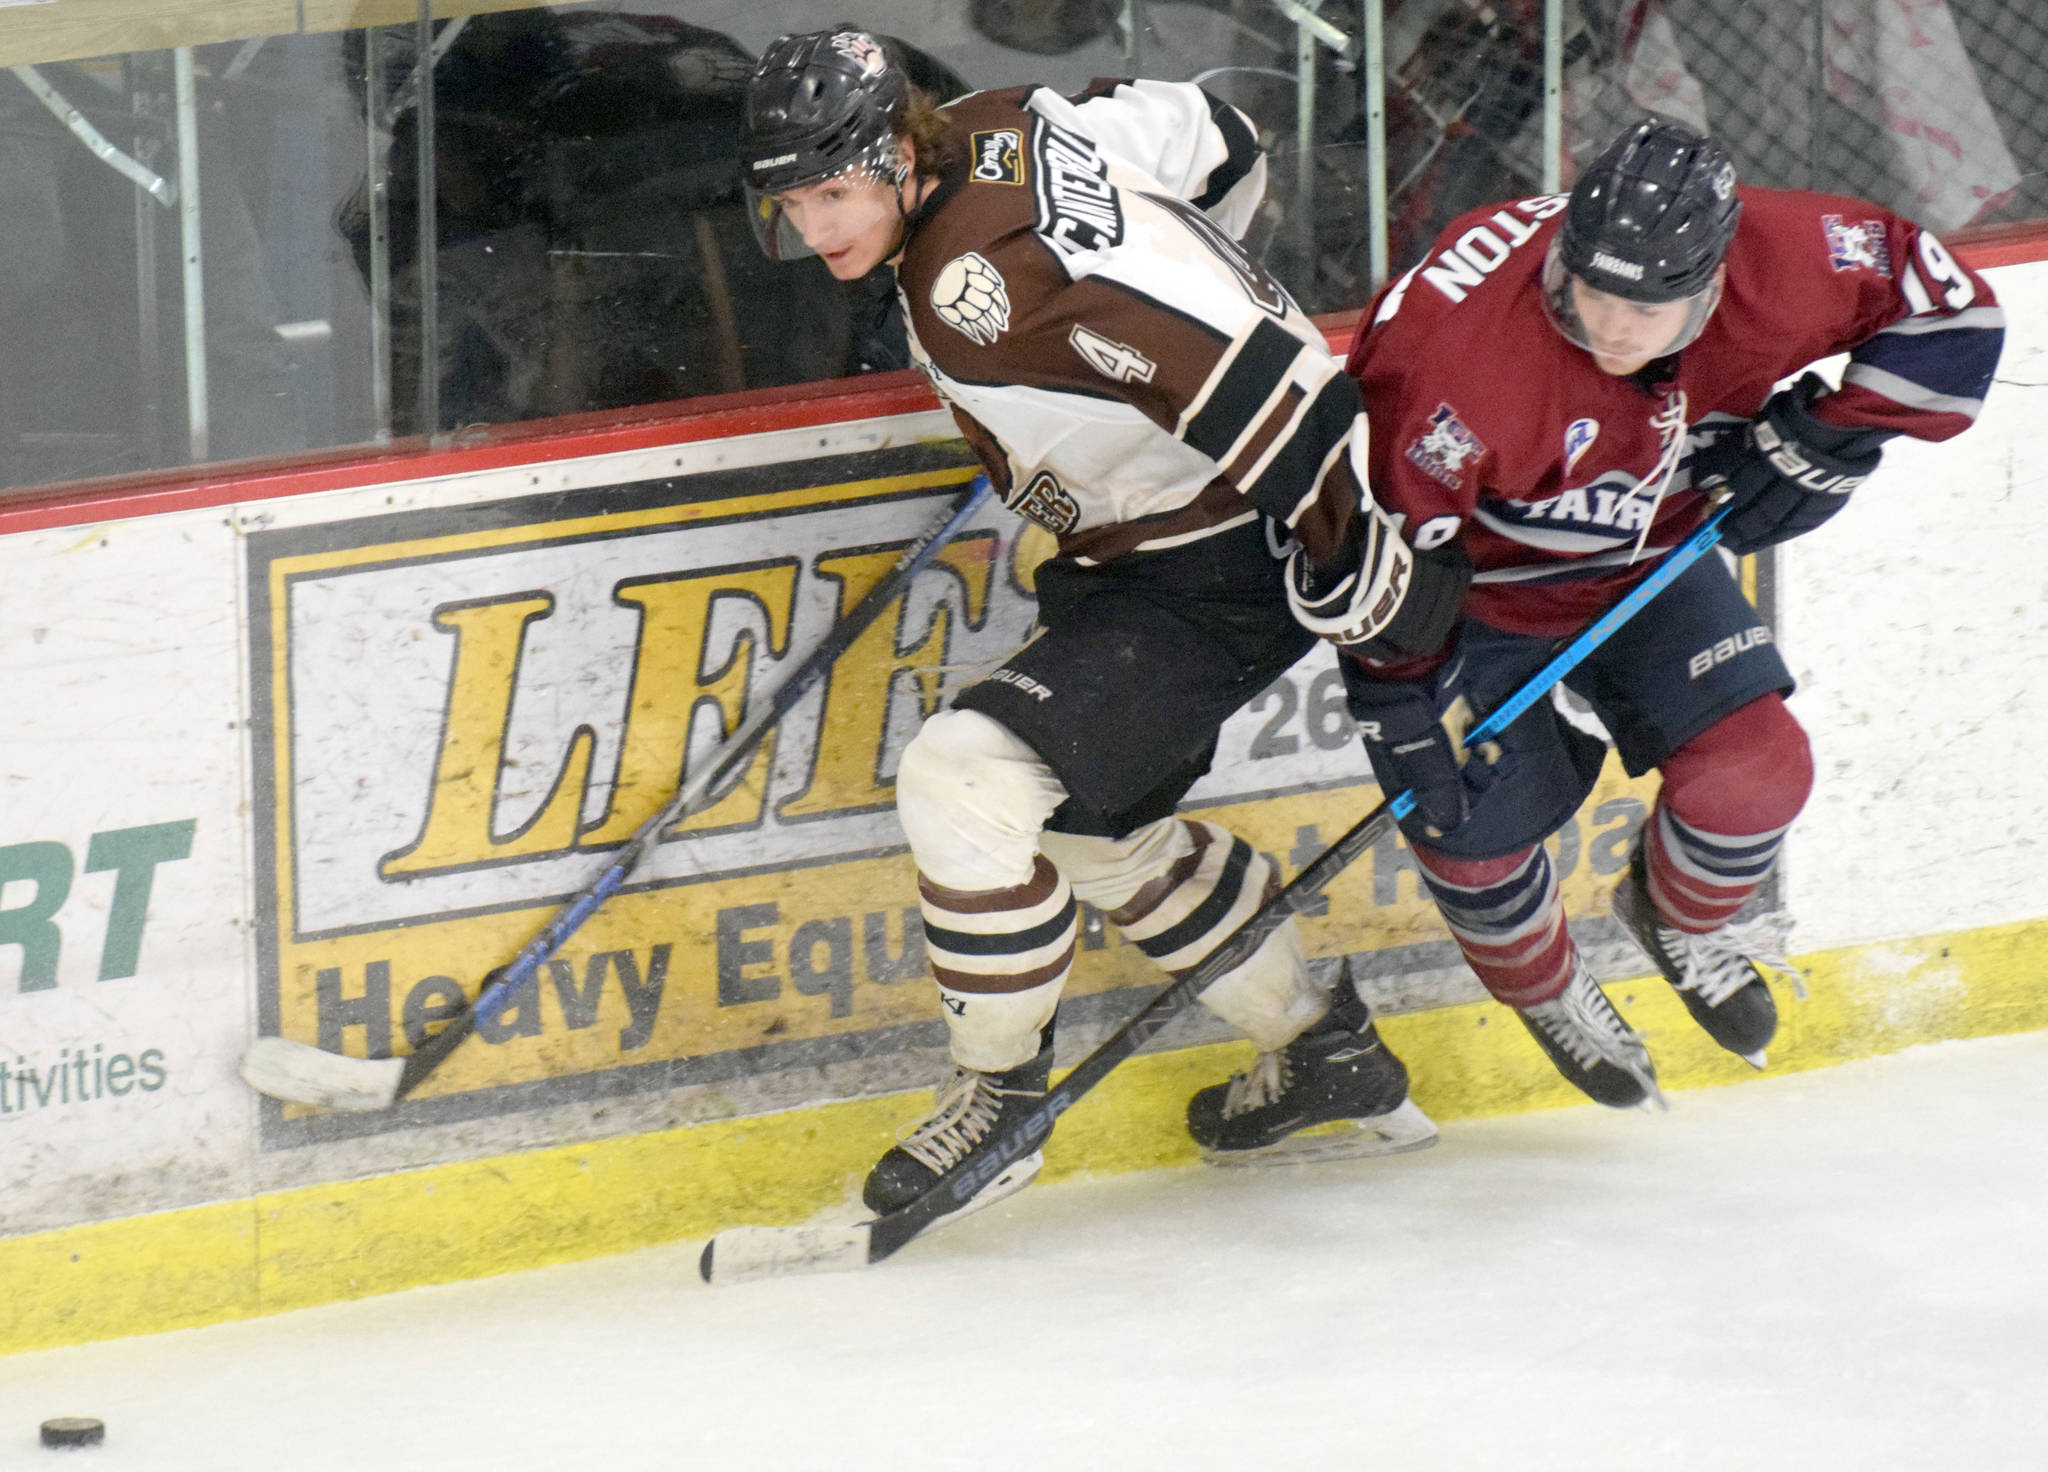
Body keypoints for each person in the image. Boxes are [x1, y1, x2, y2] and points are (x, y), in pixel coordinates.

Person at [735, 28, 1468, 1219]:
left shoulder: (975, 291)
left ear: (890, 154)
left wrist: (1345, 542)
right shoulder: (1006, 118)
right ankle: (1324, 1049)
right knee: (1083, 826)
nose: (817, 230)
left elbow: (1229, 375)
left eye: (833, 192)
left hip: (1216, 554)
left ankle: (1002, 1102)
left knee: (964, 780)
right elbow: (1217, 139)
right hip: (1177, 536)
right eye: (792, 204)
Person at [1341, 118, 2003, 1107]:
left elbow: (1949, 309)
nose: (1610, 326)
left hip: (1651, 561)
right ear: (1561, 248)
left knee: (1758, 770)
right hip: (1472, 595)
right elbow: (1373, 542)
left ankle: (1678, 918)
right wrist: (1399, 697)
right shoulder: (1449, 352)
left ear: (1711, 274)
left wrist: (1829, 436)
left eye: (1644, 307)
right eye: (1591, 291)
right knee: (1464, 823)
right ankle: (1546, 986)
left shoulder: (1781, 257)